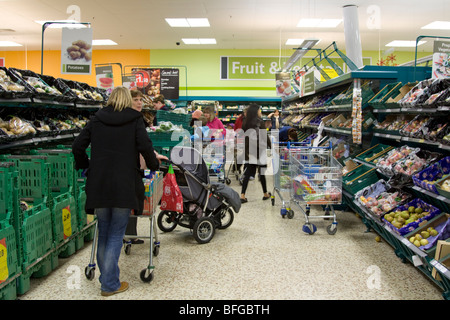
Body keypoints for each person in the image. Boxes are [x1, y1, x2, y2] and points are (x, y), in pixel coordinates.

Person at [72, 86, 167, 297]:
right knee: (116, 232)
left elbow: (78, 145)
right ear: (127, 100)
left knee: (104, 230)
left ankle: (107, 279)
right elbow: (145, 146)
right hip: (124, 183)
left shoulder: (96, 119)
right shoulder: (134, 120)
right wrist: (154, 167)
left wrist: (85, 164)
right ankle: (109, 284)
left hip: (99, 183)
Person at [239, 104, 271, 203]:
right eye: (259, 111)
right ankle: (265, 194)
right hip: (259, 150)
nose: (260, 112)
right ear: (256, 111)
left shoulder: (245, 122)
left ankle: (242, 195)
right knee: (261, 173)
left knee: (248, 172)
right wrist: (270, 146)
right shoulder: (259, 122)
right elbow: (264, 136)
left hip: (249, 150)